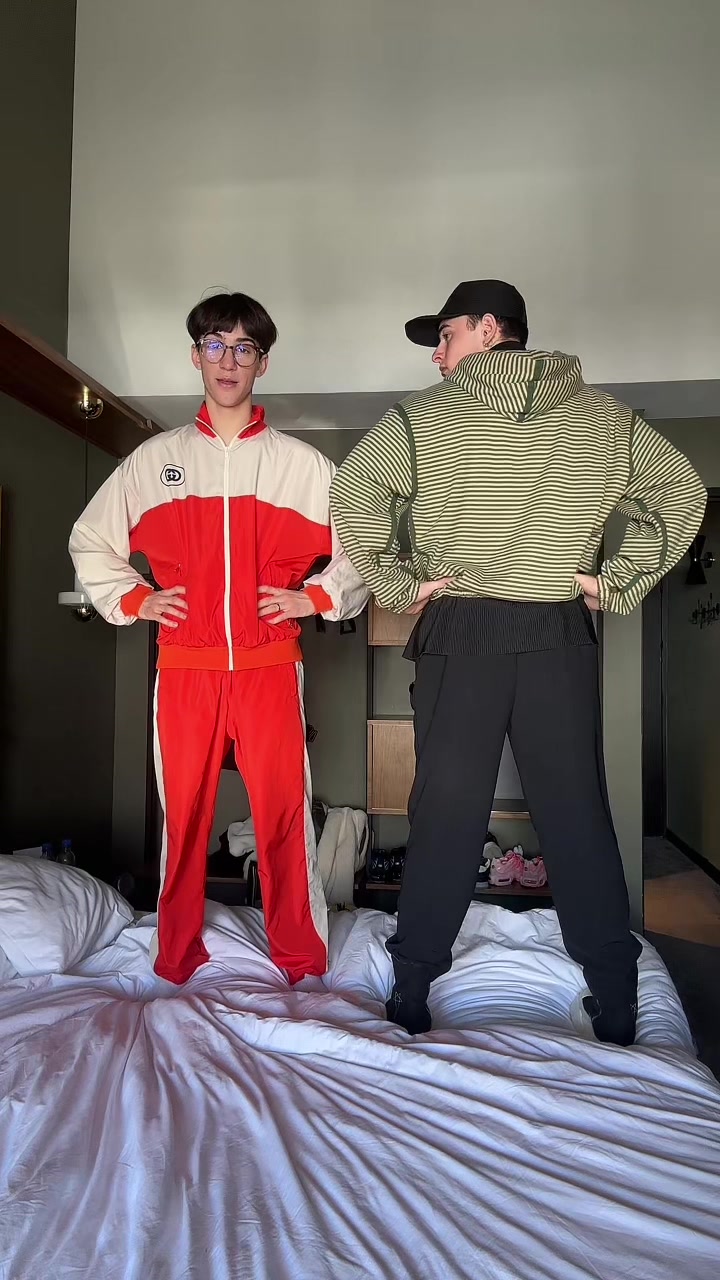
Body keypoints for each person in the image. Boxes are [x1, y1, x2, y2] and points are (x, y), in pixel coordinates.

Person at [330, 279, 706, 1046]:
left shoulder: (420, 418)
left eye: (444, 336)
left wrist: (400, 585)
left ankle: (411, 991)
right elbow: (681, 490)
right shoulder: (605, 418)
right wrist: (615, 580)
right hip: (557, 634)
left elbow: (355, 492)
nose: (437, 356)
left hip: (462, 631)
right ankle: (615, 1000)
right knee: (577, 814)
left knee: (445, 816)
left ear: (487, 328)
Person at [70, 291, 369, 985]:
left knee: (283, 813)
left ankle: (300, 956)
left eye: (243, 348)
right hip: (186, 668)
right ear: (195, 356)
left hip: (270, 666)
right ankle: (176, 953)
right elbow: (91, 539)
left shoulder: (303, 466)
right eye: (215, 345)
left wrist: (315, 596)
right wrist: (139, 599)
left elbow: (362, 546)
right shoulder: (153, 462)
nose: (228, 360)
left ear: (262, 363)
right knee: (183, 814)